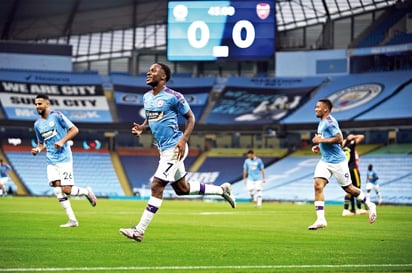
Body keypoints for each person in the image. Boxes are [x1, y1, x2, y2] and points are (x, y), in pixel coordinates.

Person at [119, 63, 236, 242]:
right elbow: (152, 118)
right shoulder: (147, 97)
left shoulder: (174, 97)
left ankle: (139, 230)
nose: (148, 73)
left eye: (153, 70)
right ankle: (222, 190)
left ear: (163, 77)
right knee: (182, 189)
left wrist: (183, 140)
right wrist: (142, 128)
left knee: (157, 185)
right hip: (163, 149)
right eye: (149, 70)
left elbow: (191, 118)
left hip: (175, 147)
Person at [308, 99, 376, 230]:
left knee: (349, 189)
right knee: (317, 185)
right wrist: (319, 146)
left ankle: (369, 204)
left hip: (338, 162)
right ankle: (321, 220)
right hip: (325, 161)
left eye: (318, 107)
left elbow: (339, 139)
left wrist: (321, 140)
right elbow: (327, 140)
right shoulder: (321, 122)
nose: (315, 109)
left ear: (325, 109)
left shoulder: (330, 122)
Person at [31, 94, 97, 228]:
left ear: (47, 104)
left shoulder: (57, 116)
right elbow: (41, 143)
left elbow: (74, 130)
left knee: (66, 189)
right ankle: (72, 220)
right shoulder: (37, 124)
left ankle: (86, 192)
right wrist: (37, 150)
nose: (37, 106)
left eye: (40, 103)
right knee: (57, 189)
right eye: (36, 104)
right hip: (51, 160)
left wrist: (62, 141)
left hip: (64, 158)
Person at [341, 134, 368, 216]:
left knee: (349, 189)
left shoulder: (342, 147)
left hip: (345, 170)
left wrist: (345, 139)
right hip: (353, 169)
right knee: (357, 189)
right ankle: (359, 209)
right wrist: (353, 136)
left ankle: (349, 209)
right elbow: (362, 136)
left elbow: (342, 142)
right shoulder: (351, 144)